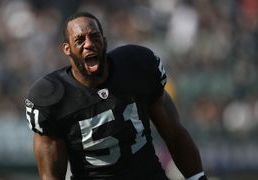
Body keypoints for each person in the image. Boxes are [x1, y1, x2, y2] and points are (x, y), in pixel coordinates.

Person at [25, 11, 207, 180]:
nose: (89, 43)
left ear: (104, 41)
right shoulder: (50, 97)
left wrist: (197, 178)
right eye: (80, 40)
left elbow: (175, 134)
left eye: (94, 36)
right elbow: (51, 176)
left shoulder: (137, 65)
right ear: (67, 49)